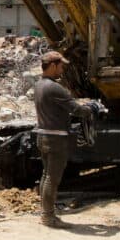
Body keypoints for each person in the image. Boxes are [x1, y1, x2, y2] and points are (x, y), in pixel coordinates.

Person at [34, 51, 91, 228]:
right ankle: (49, 217)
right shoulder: (55, 88)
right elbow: (76, 110)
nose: (62, 70)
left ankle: (45, 213)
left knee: (46, 175)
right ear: (52, 66)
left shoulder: (39, 85)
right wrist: (91, 108)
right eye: (60, 66)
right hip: (55, 139)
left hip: (43, 135)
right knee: (52, 178)